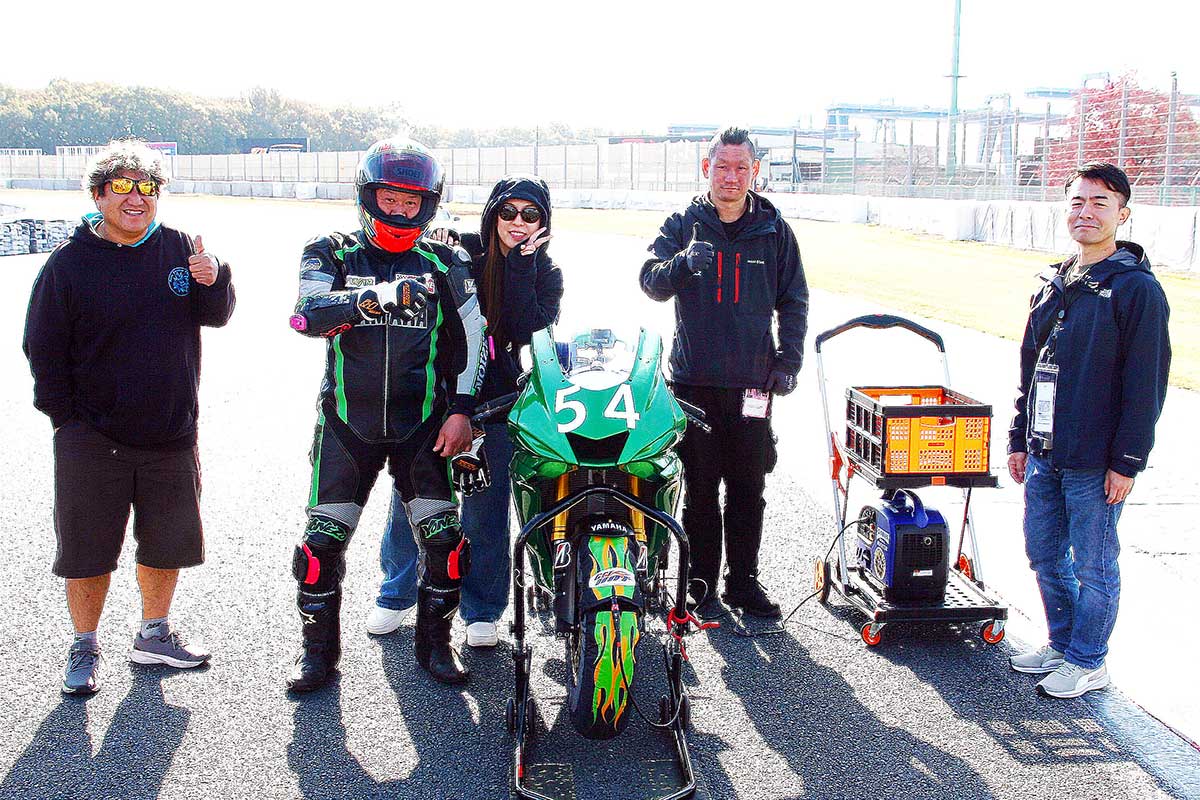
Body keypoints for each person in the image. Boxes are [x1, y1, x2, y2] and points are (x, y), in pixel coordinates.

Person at [23, 139, 236, 695]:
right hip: (92, 437)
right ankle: (84, 644)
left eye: (148, 187)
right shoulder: (68, 264)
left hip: (171, 433)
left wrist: (215, 278)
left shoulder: (180, 248)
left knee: (167, 543)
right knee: (88, 550)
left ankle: (154, 634)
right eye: (122, 186)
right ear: (98, 196)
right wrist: (65, 420)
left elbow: (215, 316)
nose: (136, 197)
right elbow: (42, 347)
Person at [285, 138, 486, 690]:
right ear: (367, 195)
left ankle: (436, 647)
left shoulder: (446, 261)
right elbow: (304, 317)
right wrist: (372, 299)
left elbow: (475, 340)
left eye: (410, 201)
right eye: (389, 198)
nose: (399, 211)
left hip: (423, 428)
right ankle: (316, 657)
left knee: (445, 547)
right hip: (346, 426)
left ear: (428, 204)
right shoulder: (330, 250)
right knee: (320, 548)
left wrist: (462, 411)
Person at [368, 175, 563, 648]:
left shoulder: (546, 272)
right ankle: (396, 593)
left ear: (543, 222)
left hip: (498, 402)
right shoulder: (462, 250)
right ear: (493, 214)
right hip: (437, 393)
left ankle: (482, 608)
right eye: (508, 212)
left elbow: (527, 330)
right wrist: (434, 244)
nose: (518, 222)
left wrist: (521, 265)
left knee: (485, 510)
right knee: (413, 498)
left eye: (530, 215)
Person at [1007, 162, 1171, 699]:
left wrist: (1127, 462)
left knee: (1094, 566)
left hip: (1096, 462)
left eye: (1101, 202)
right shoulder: (1053, 283)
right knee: (1043, 554)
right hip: (1044, 452)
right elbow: (1030, 369)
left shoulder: (1136, 289)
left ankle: (1088, 659)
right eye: (1077, 201)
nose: (1086, 212)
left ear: (1123, 214)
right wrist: (1018, 439)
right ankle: (1062, 644)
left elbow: (1146, 384)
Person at [639, 126, 808, 618]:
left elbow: (794, 300)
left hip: (753, 385)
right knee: (699, 489)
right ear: (706, 168)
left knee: (749, 488)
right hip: (693, 384)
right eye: (721, 167)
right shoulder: (683, 223)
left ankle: (743, 583)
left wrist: (788, 361)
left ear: (755, 171)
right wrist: (683, 263)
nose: (731, 176)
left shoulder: (774, 229)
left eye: (741, 168)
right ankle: (700, 584)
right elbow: (650, 281)